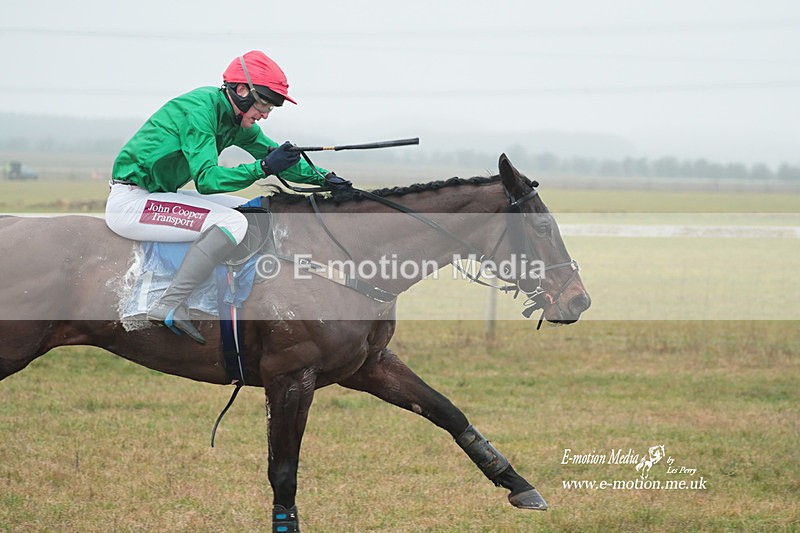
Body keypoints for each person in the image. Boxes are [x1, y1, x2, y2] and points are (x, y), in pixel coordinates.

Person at [106, 50, 351, 344]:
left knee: (254, 212)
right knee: (233, 223)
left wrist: (326, 179)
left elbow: (278, 159)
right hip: (132, 202)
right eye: (264, 104)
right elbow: (207, 180)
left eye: (271, 108)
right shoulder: (201, 112)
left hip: (159, 195)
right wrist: (262, 168)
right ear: (242, 90)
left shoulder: (235, 120)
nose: (266, 114)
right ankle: (170, 302)